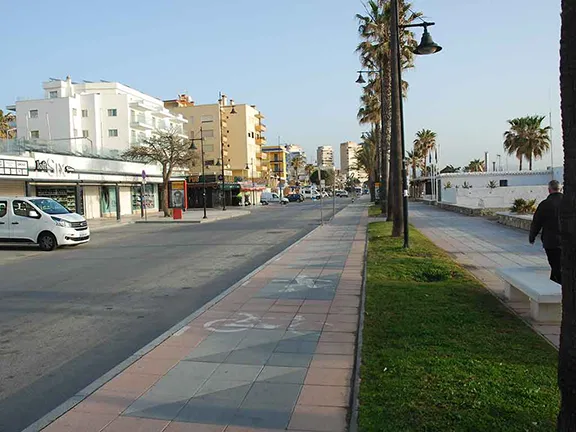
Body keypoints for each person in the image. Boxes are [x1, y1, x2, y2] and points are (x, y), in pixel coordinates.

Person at [529, 180, 563, 284]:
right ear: (560, 189)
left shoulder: (545, 204)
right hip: (568, 241)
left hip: (551, 242)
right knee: (563, 267)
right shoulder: (569, 202)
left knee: (555, 266)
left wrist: (532, 237)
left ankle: (557, 286)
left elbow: (536, 222)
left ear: (549, 190)